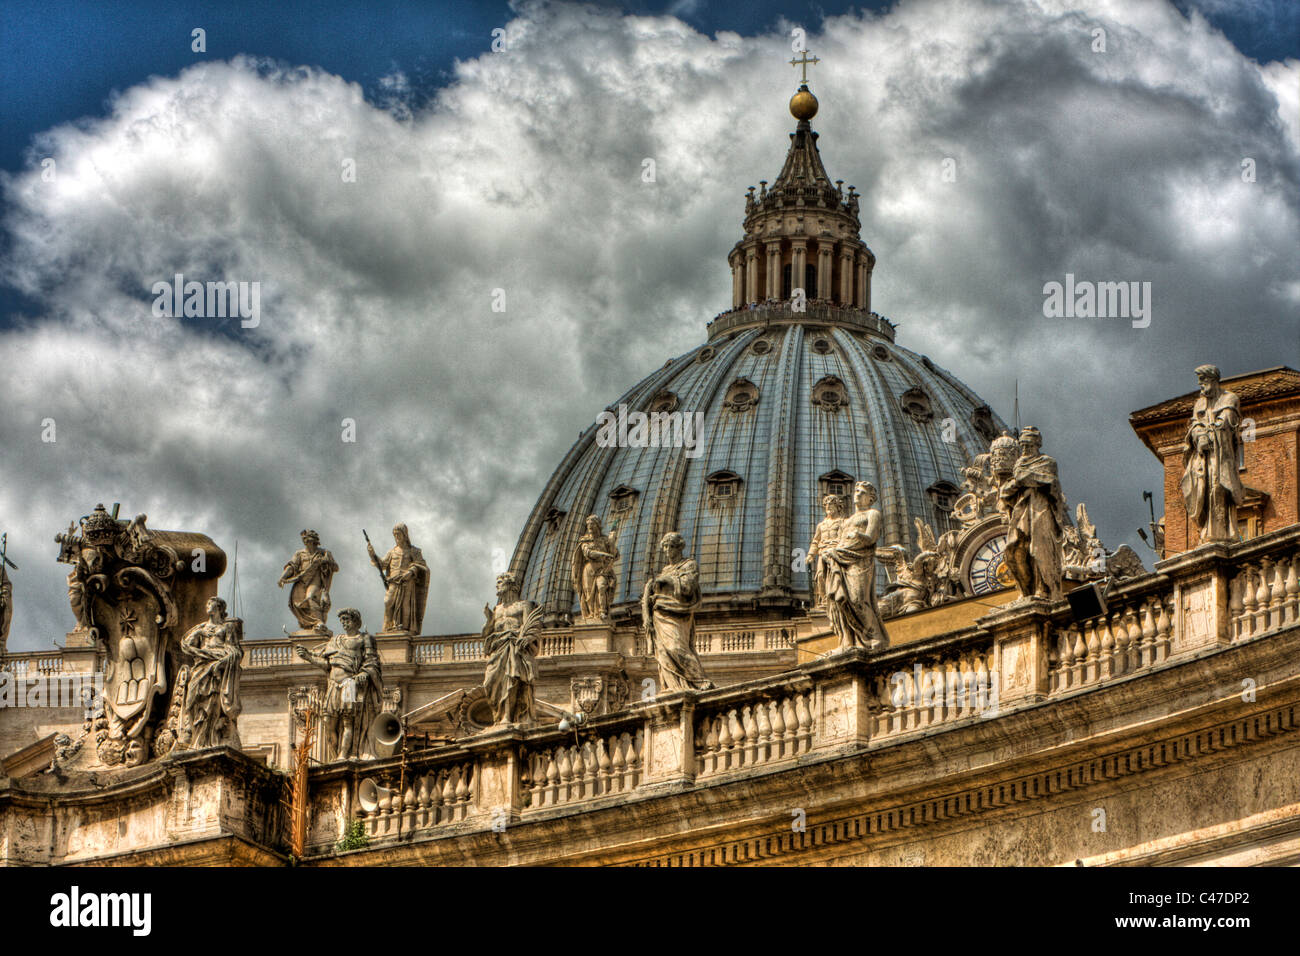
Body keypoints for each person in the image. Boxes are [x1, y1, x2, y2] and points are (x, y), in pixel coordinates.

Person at [295, 608, 383, 760]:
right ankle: (335, 754)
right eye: (342, 620)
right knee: (328, 721)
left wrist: (363, 673)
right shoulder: (335, 640)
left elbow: (372, 661)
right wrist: (308, 657)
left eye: (347, 619)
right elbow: (327, 664)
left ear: (356, 621)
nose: (344, 623)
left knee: (348, 722)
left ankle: (344, 754)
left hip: (350, 683)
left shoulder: (365, 639)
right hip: (333, 685)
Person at [1000, 426, 1067, 602]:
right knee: (1014, 550)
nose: (1025, 449)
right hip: (1021, 513)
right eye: (1022, 445)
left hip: (1040, 511)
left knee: (1038, 549)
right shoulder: (1018, 465)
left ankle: (1042, 589)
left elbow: (1048, 481)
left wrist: (1022, 479)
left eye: (1029, 445)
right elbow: (1006, 491)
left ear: (1038, 444)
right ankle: (1026, 589)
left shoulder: (1047, 462)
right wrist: (1019, 481)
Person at [641, 532, 713, 691]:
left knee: (675, 648)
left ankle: (698, 680)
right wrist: (647, 617)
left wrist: (667, 580)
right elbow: (648, 595)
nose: (667, 551)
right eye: (665, 547)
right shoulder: (665, 570)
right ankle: (672, 686)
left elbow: (688, 587)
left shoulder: (689, 565)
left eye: (670, 547)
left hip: (679, 615)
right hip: (659, 616)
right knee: (664, 652)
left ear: (679, 547)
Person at [1181, 364, 1243, 544]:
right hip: (1203, 459)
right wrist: (1199, 435)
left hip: (1221, 456)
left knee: (1219, 488)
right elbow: (1194, 424)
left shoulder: (1230, 399)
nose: (1201, 387)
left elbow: (1228, 423)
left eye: (1204, 382)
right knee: (1202, 490)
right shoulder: (1199, 404)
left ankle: (1224, 532)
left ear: (1214, 381)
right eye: (1199, 383)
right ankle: (1207, 530)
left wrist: (1210, 434)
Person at [823, 482, 887, 651]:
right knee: (841, 600)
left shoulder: (873, 514)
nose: (857, 494)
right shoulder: (846, 521)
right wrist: (829, 553)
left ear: (871, 498)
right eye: (856, 491)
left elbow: (871, 538)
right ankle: (847, 641)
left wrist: (858, 535)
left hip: (860, 560)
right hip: (841, 560)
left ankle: (876, 637)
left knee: (858, 599)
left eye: (862, 492)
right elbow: (840, 542)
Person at [179, 596, 243, 749]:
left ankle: (209, 739)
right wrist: (198, 641)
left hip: (216, 668)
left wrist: (222, 661)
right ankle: (194, 735)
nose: (207, 605)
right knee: (191, 701)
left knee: (212, 702)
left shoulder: (227, 628)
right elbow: (186, 645)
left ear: (219, 608)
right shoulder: (201, 628)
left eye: (211, 603)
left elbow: (235, 651)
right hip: (201, 665)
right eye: (207, 603)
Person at [481, 572, 541, 725]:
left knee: (511, 679)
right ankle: (500, 715)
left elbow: (533, 627)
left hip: (515, 649)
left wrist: (526, 638)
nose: (497, 585)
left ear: (511, 585)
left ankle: (508, 716)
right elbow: (487, 633)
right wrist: (489, 620)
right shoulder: (497, 610)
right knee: (490, 683)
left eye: (501, 582)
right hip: (498, 649)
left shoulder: (524, 605)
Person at [368, 523, 429, 635]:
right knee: (388, 602)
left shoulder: (414, 551)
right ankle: (388, 627)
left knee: (405, 605)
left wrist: (410, 572)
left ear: (405, 535)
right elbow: (382, 564)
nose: (396, 537)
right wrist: (372, 554)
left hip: (407, 581)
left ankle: (403, 628)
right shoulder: (392, 551)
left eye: (398, 534)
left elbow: (421, 565)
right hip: (393, 581)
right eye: (395, 535)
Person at [278, 529, 339, 634]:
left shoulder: (324, 553)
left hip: (316, 580)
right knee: (296, 604)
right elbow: (291, 567)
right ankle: (308, 625)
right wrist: (282, 577)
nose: (308, 543)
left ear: (315, 541)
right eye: (306, 541)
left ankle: (319, 622)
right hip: (301, 580)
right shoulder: (299, 554)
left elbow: (336, 567)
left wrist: (326, 561)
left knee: (310, 598)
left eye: (311, 541)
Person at [571, 515, 619, 622]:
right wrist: (603, 554)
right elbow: (588, 553)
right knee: (589, 595)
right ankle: (592, 615)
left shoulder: (605, 540)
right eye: (588, 525)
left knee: (602, 587)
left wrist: (612, 543)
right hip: (588, 571)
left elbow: (615, 555)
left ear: (597, 525)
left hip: (603, 570)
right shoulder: (585, 541)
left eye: (592, 524)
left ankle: (602, 611)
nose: (589, 526)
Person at [807, 494, 846, 607]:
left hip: (836, 553)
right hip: (822, 552)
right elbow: (815, 541)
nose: (829, 508)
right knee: (820, 575)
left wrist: (836, 548)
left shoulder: (842, 522)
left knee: (836, 575)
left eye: (832, 505)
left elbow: (843, 538)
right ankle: (824, 600)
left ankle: (835, 598)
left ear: (838, 507)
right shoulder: (821, 525)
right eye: (827, 506)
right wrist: (810, 555)